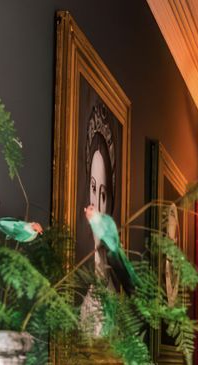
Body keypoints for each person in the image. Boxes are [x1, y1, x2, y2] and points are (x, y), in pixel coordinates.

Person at [80, 103, 117, 336]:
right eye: (93, 190)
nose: (96, 204)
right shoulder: (79, 270)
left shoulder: (111, 270)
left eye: (103, 194)